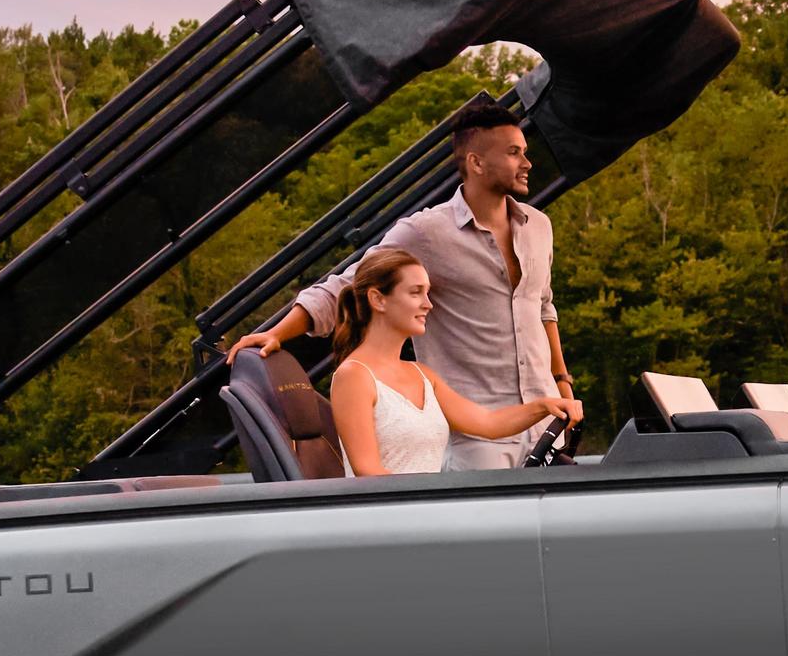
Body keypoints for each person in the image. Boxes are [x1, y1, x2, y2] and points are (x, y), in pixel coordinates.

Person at [233, 104, 574, 468]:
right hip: (477, 438)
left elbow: (543, 308)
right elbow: (351, 283)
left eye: (525, 152)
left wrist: (562, 383)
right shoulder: (426, 233)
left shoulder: (539, 227)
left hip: (548, 427)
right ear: (476, 162)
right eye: (513, 153)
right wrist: (279, 334)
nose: (527, 163)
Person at [323, 250, 578, 476]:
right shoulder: (354, 376)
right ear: (378, 299)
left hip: (432, 513)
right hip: (390, 519)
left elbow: (488, 424)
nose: (428, 304)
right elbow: (368, 471)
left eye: (428, 293)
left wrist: (544, 406)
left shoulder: (422, 374)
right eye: (415, 293)